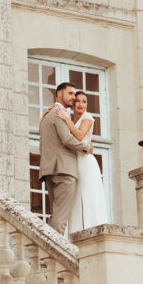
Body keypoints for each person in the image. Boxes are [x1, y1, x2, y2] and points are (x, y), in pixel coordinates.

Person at [41, 90, 109, 234]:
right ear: (73, 103)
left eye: (84, 102)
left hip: (86, 161)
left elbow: (79, 136)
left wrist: (67, 120)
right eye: (77, 101)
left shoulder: (88, 117)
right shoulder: (68, 117)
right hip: (74, 162)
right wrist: (44, 117)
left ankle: (92, 232)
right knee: (75, 200)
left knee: (88, 196)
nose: (80, 104)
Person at [38, 81, 90, 235]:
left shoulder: (47, 115)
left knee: (56, 214)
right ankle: (53, 255)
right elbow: (66, 139)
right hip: (64, 170)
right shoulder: (58, 113)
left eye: (75, 94)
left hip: (50, 169)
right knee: (60, 219)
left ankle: (46, 249)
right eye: (70, 93)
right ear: (59, 94)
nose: (73, 97)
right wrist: (86, 147)